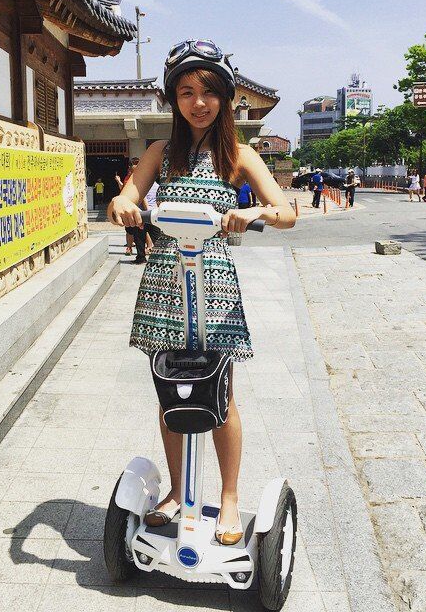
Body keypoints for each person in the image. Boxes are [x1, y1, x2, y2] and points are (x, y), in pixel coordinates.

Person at [107, 39, 295, 545]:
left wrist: (253, 211)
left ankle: (229, 497)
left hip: (213, 283)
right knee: (170, 391)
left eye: (209, 92)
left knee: (221, 394)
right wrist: (124, 205)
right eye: (187, 92)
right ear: (174, 98)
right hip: (165, 283)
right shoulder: (160, 152)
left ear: (225, 98)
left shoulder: (240, 155)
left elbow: (286, 213)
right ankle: (175, 489)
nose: (198, 102)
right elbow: (126, 197)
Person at [115, 158, 140, 256]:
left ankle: (148, 246)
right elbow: (123, 189)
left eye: (136, 164)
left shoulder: (142, 177)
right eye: (133, 164)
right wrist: (119, 181)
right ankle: (129, 248)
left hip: (138, 206)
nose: (133, 167)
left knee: (142, 227)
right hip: (128, 206)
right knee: (129, 227)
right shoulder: (127, 177)